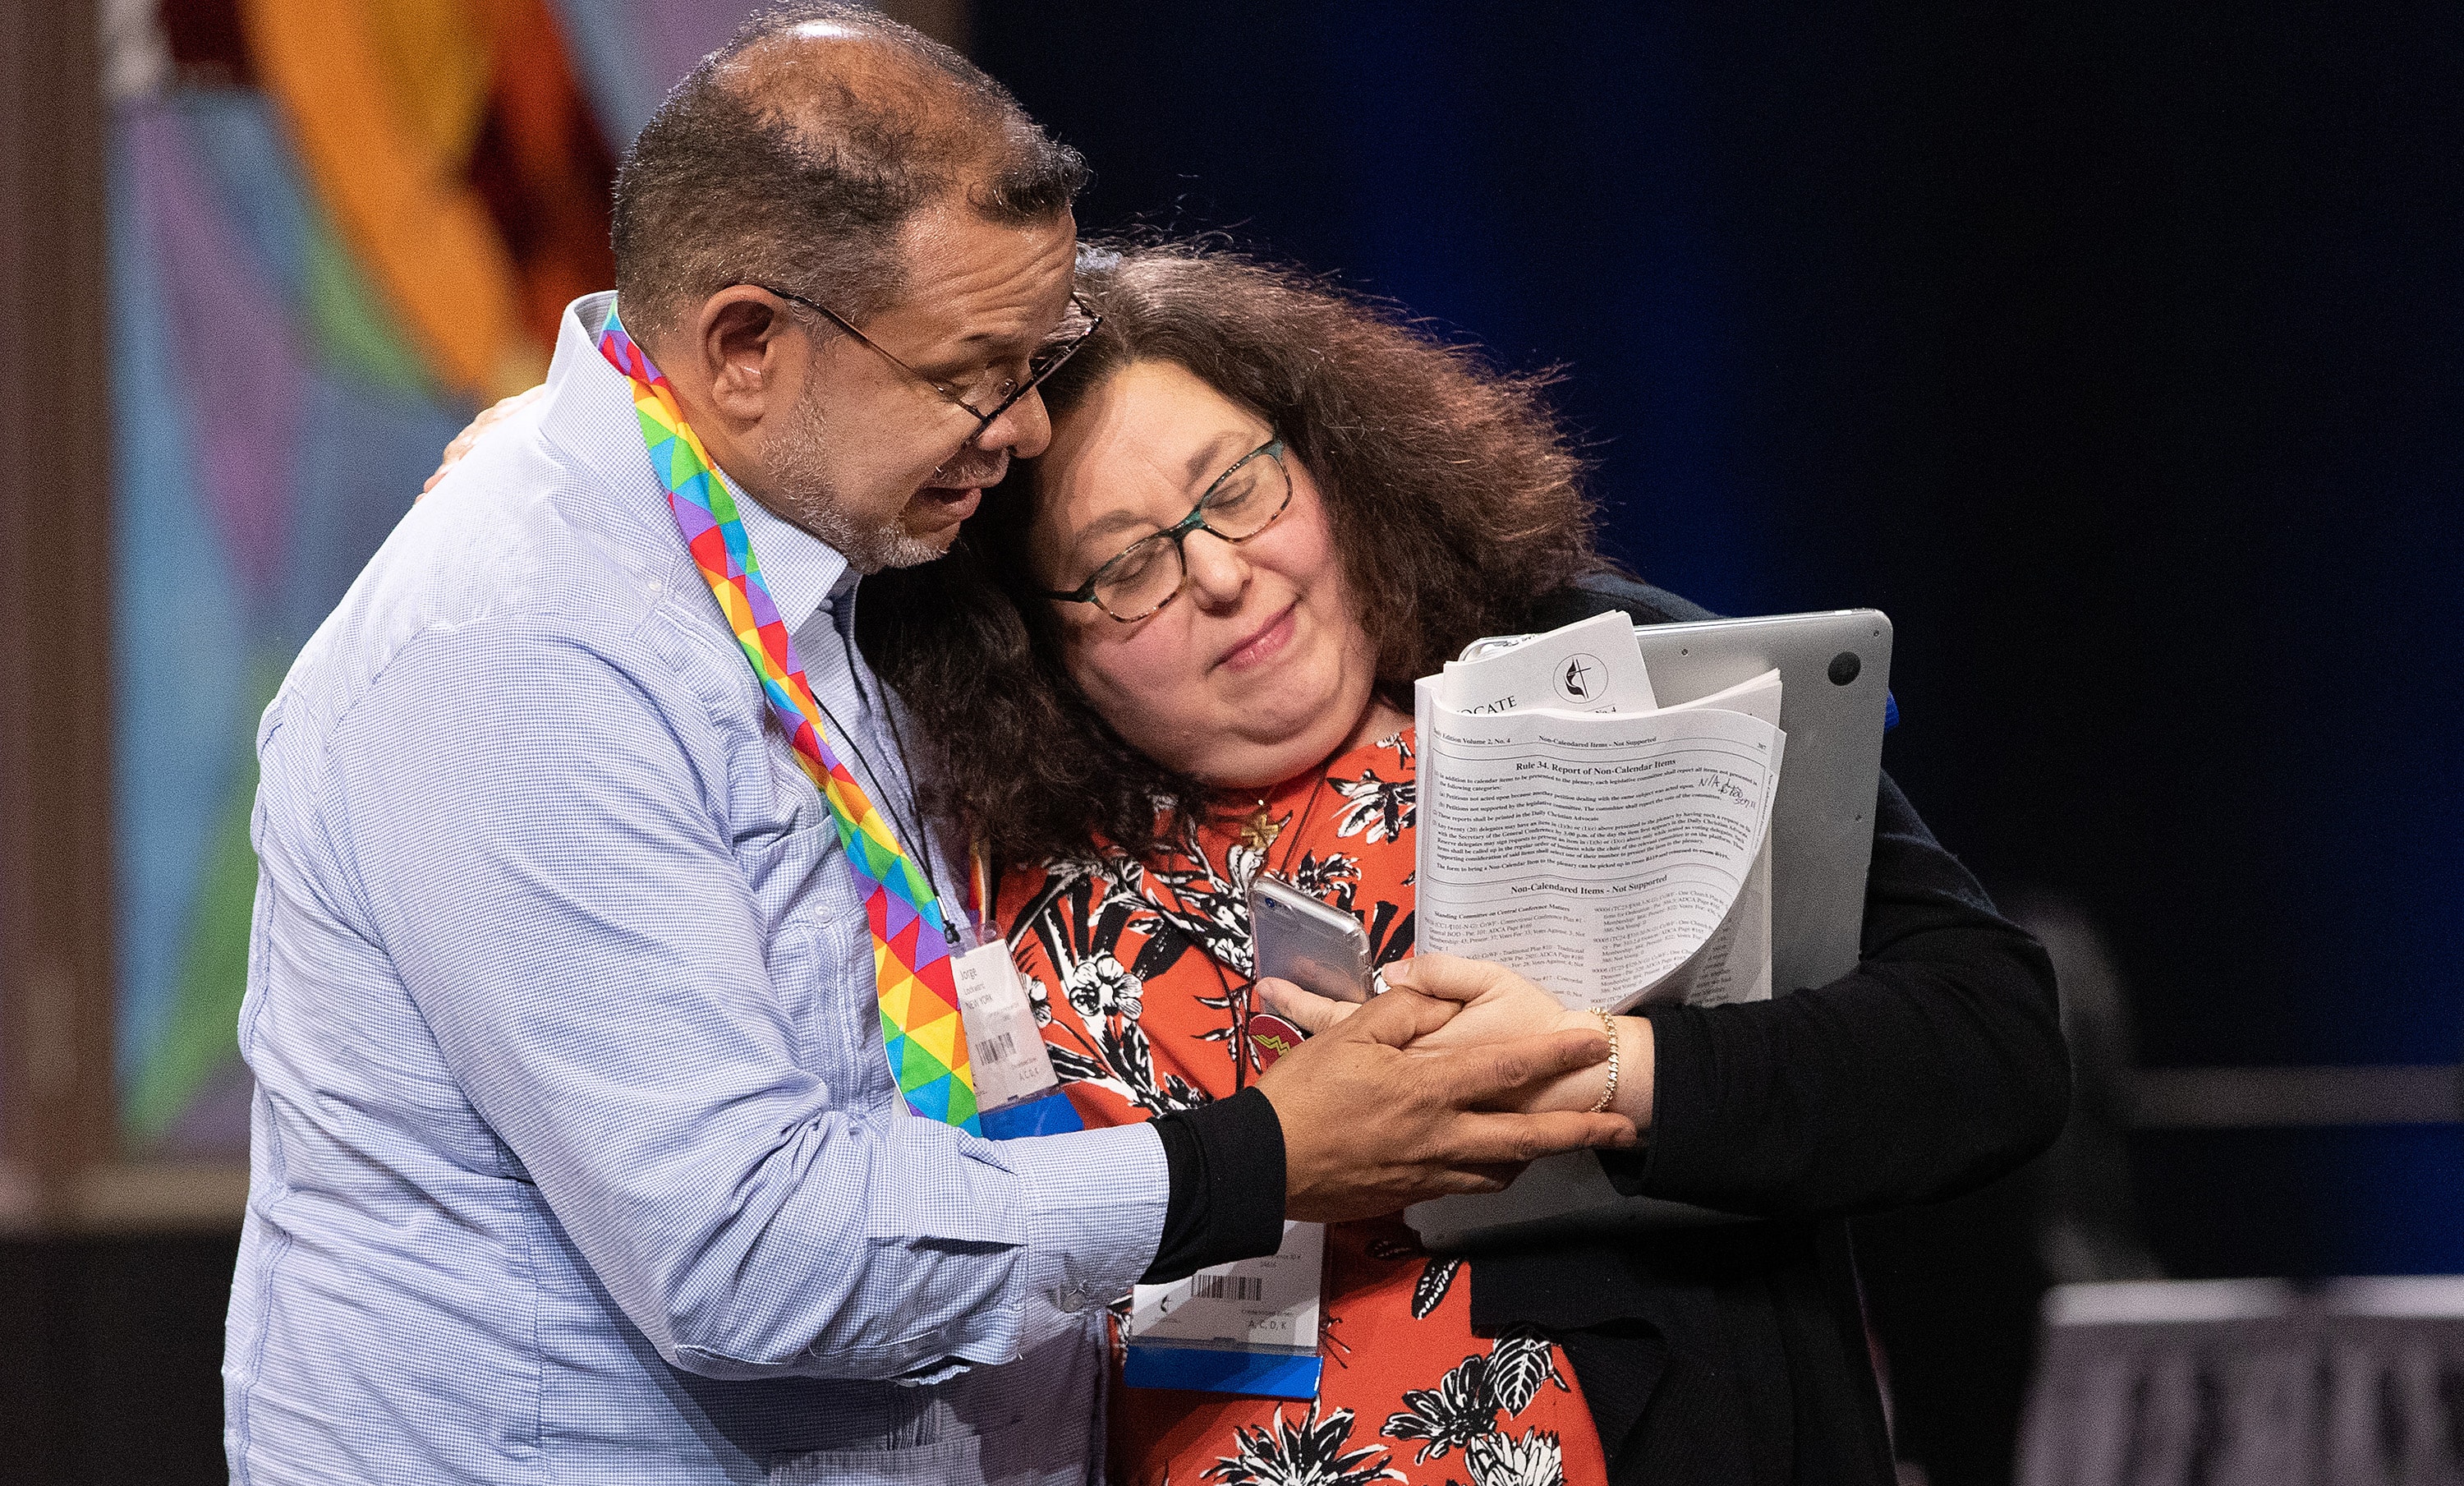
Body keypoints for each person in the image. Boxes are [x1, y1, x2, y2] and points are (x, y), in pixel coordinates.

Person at [225, 12, 1637, 1485]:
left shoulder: (818, 525)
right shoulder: (517, 647)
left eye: (1043, 357)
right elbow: (746, 1251)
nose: (1026, 429)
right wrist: (1260, 1159)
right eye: (975, 374)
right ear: (747, 345)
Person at [856, 242, 2074, 1485]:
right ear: (1036, 644)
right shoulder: (975, 852)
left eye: (1238, 490)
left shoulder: (1607, 674)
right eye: (1126, 568)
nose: (1220, 574)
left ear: (1330, 462)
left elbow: (1990, 1040)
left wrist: (1608, 1067)